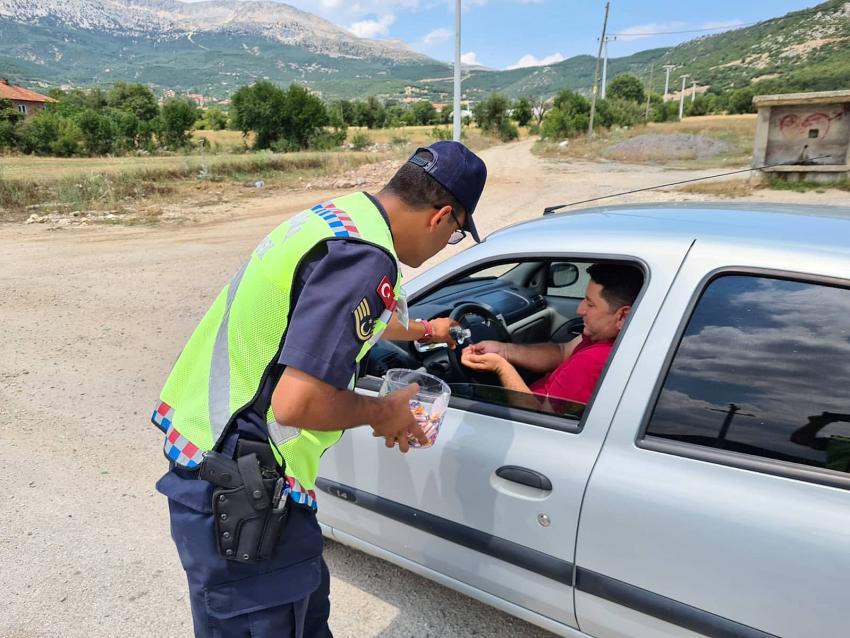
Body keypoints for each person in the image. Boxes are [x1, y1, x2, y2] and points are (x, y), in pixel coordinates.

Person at [151, 141, 487, 638]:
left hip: (211, 457)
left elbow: (321, 315)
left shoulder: (341, 220)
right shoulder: (364, 259)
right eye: (457, 233)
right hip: (245, 489)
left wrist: (423, 331)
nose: (447, 242)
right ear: (442, 216)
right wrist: (383, 412)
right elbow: (296, 402)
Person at [461, 264, 642, 405]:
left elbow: (537, 417)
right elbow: (562, 351)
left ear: (622, 316)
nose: (580, 310)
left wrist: (501, 367)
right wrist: (504, 351)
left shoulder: (594, 361)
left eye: (591, 304)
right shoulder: (609, 339)